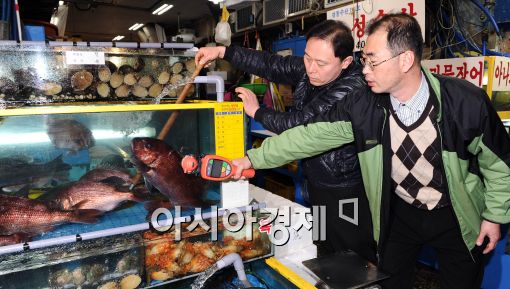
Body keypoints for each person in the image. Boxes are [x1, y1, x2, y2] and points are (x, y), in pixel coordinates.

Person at [231, 13, 510, 289]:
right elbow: (309, 136)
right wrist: (250, 158)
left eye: (373, 61)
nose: (365, 70)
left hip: (456, 213)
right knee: (387, 280)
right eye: (364, 60)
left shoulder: (464, 102)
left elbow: (500, 164)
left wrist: (494, 216)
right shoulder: (364, 105)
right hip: (399, 211)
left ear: (406, 60)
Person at [195, 20, 378, 263]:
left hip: (345, 188)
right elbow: (272, 64)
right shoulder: (312, 68)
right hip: (317, 179)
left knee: (353, 254)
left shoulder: (352, 88)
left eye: (321, 63)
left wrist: (257, 112)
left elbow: (299, 126)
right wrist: (223, 52)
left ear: (345, 62)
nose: (311, 68)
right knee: (324, 247)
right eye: (308, 58)